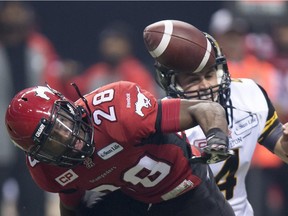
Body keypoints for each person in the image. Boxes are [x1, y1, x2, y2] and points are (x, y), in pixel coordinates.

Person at [5, 78, 235, 216]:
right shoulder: (48, 171)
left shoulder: (118, 114)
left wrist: (216, 137)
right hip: (136, 202)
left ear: (67, 106)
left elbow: (206, 108)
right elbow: (72, 206)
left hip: (186, 188)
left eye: (62, 122)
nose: (66, 136)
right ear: (39, 155)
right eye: (51, 141)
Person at [142, 19, 288, 216]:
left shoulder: (247, 94)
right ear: (171, 83)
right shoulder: (161, 122)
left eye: (210, 75)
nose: (205, 86)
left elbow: (280, 146)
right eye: (193, 80)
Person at [0, 2, 66, 215]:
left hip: (33, 131)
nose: (14, 16)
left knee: (33, 196)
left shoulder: (40, 46)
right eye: (10, 10)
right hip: (0, 131)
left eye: (19, 10)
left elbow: (51, 85)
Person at [67, 21, 160, 101]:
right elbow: (76, 93)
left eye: (115, 43)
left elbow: (146, 103)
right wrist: (67, 79)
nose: (110, 47)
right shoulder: (96, 71)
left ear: (126, 45)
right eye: (108, 43)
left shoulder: (137, 72)